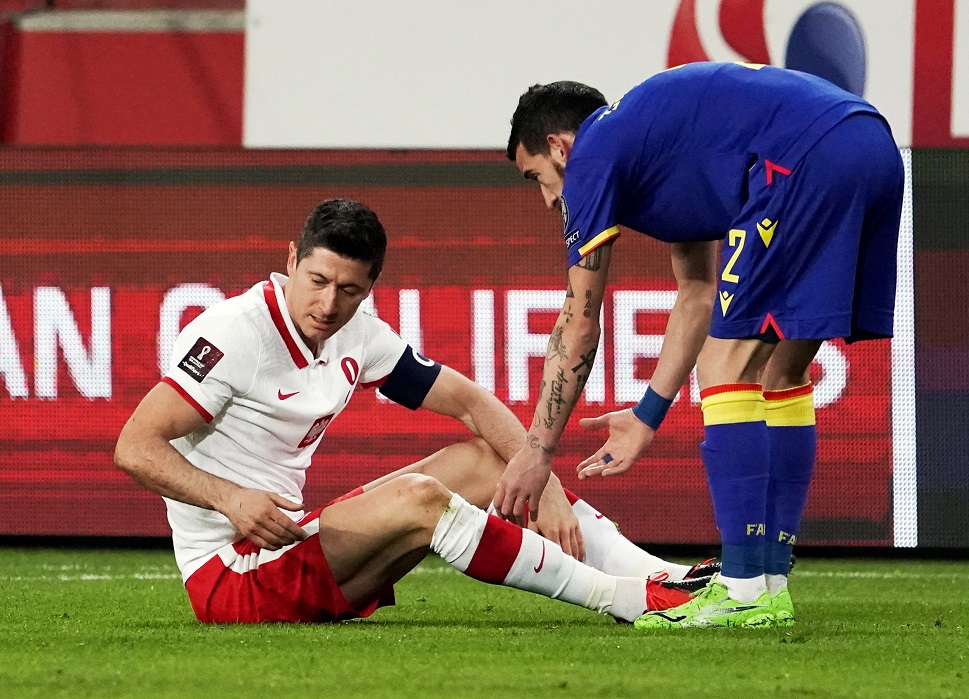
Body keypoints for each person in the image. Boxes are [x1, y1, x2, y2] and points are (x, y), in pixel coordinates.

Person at [114, 197, 714, 625]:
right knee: (423, 498)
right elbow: (135, 447)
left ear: (370, 287)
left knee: (486, 462)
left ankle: (663, 576)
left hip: (293, 544)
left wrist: (547, 485)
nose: (328, 304)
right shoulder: (233, 334)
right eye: (317, 279)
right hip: (232, 576)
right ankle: (626, 601)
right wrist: (230, 499)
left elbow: (472, 404)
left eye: (349, 290)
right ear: (291, 259)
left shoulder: (358, 333)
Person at [495, 62, 904, 629]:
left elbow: (578, 324)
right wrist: (647, 415)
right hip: (872, 147)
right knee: (780, 373)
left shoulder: (591, 154)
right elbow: (696, 295)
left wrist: (537, 451)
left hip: (802, 158)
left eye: (536, 176)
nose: (546, 199)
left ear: (559, 147)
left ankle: (742, 591)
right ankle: (768, 583)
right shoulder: (659, 146)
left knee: (725, 361)